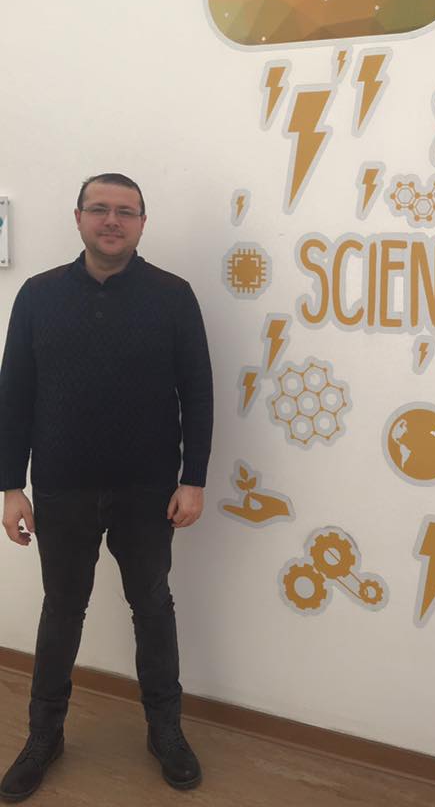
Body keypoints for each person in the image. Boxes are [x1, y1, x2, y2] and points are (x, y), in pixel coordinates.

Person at [0, 174, 213, 800]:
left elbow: (198, 393)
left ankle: (165, 730)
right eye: (99, 208)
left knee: (153, 607)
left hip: (148, 492)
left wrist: (194, 480)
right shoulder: (38, 295)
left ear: (143, 223)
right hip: (61, 488)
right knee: (62, 610)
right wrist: (11, 485)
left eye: (126, 211)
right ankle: (44, 736)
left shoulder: (173, 295)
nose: (112, 220)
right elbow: (14, 394)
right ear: (78, 218)